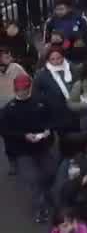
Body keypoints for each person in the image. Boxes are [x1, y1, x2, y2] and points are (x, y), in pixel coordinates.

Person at [1, 73, 60, 222]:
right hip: (22, 151)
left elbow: (51, 118)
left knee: (51, 171)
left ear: (30, 87)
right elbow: (5, 131)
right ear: (15, 89)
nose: (22, 92)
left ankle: (47, 194)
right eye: (20, 89)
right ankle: (40, 210)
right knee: (33, 179)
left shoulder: (41, 102)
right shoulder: (9, 109)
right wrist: (23, 136)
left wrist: (48, 130)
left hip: (42, 146)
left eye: (25, 89)